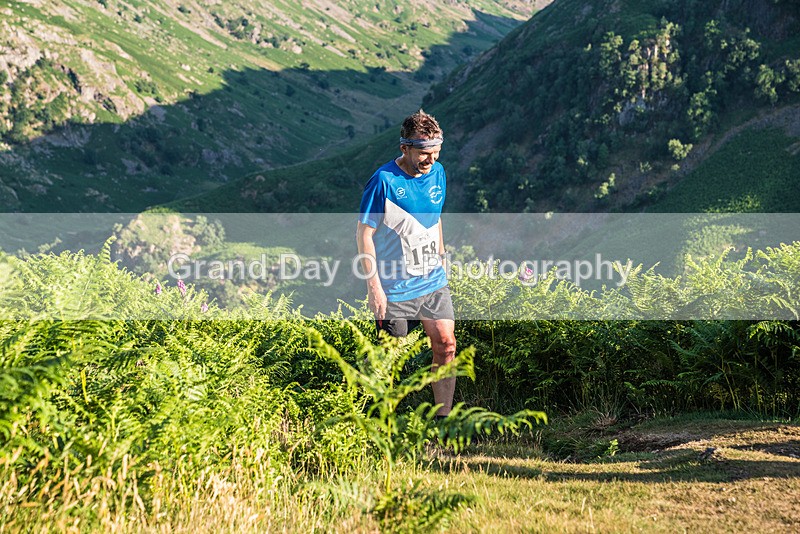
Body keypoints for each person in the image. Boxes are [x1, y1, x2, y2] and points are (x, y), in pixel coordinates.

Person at [356, 109, 456, 418]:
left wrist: (441, 255)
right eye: (424, 154)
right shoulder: (383, 181)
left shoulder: (437, 173)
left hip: (432, 281)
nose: (431, 161)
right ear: (405, 149)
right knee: (388, 359)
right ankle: (379, 423)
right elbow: (364, 233)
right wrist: (374, 287)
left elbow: (434, 218)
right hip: (395, 286)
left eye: (436, 154)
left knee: (446, 345)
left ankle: (443, 425)